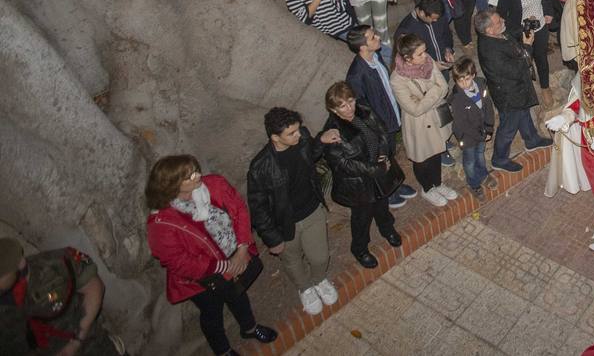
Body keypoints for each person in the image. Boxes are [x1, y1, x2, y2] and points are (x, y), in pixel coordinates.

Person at [145, 156, 277, 355]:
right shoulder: (161, 222)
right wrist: (223, 267)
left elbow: (240, 210)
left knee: (238, 295)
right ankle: (222, 350)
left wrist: (242, 250)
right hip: (200, 280)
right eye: (190, 175)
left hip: (234, 257)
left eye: (196, 170)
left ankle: (249, 328)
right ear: (173, 184)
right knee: (211, 312)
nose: (198, 175)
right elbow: (178, 261)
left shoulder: (214, 184)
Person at [245, 108, 340, 316]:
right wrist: (272, 239)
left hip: (311, 210)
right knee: (292, 260)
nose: (299, 134)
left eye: (298, 130)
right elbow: (258, 207)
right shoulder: (260, 167)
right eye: (292, 133)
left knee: (320, 257)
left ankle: (319, 280)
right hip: (285, 223)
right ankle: (305, 288)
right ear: (275, 137)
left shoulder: (303, 137)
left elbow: (311, 155)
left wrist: (321, 141)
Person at [319, 83, 403, 269]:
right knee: (361, 217)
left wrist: (383, 152)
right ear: (333, 109)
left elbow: (381, 132)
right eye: (343, 105)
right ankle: (360, 248)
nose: (349, 108)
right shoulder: (333, 131)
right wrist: (375, 168)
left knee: (382, 204)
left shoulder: (364, 111)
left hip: (378, 171)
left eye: (351, 101)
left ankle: (387, 229)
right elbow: (344, 164)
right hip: (358, 183)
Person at [0, 238, 115, 356]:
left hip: (90, 346)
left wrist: (76, 341)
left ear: (19, 263)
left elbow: (94, 287)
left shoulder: (54, 264)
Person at [344, 24, 414, 206]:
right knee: (383, 157)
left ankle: (396, 184)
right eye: (372, 37)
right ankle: (388, 192)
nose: (378, 38)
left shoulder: (376, 57)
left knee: (391, 154)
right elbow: (361, 109)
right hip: (379, 126)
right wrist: (377, 129)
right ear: (362, 47)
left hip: (391, 116)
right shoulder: (356, 75)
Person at [474, 8, 551, 173]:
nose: (503, 20)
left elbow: (510, 34)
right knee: (508, 127)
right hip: (508, 94)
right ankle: (499, 159)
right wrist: (527, 47)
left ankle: (531, 140)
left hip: (517, 89)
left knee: (524, 113)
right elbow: (516, 69)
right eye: (499, 22)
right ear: (489, 30)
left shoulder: (496, 34)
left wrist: (526, 26)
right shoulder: (489, 50)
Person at [389, 35, 458, 207]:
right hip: (418, 125)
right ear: (408, 58)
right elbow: (415, 109)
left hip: (434, 117)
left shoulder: (427, 61)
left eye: (424, 51)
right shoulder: (397, 80)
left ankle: (438, 183)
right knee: (422, 158)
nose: (425, 55)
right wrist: (433, 92)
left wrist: (426, 96)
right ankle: (427, 188)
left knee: (436, 153)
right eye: (420, 54)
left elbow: (444, 87)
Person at [497, 0, 563, 106]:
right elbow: (501, 14)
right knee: (524, 61)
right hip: (522, 31)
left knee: (541, 58)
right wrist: (514, 30)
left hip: (540, 27)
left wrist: (548, 12)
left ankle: (545, 88)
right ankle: (527, 90)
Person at [448, 58, 497, 197]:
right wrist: (480, 135)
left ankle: (483, 175)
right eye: (460, 81)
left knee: (480, 155)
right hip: (467, 136)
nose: (464, 84)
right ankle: (474, 183)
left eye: (467, 79)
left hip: (482, 131)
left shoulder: (481, 86)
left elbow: (488, 106)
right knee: (469, 160)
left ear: (473, 75)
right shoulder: (457, 99)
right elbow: (462, 124)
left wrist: (489, 128)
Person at [393, 0, 455, 68]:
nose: (436, 21)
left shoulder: (439, 16)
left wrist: (448, 50)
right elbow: (405, 61)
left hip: (442, 65)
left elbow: (447, 35)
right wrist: (430, 66)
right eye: (433, 18)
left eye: (437, 18)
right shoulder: (406, 30)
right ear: (422, 13)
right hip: (423, 73)